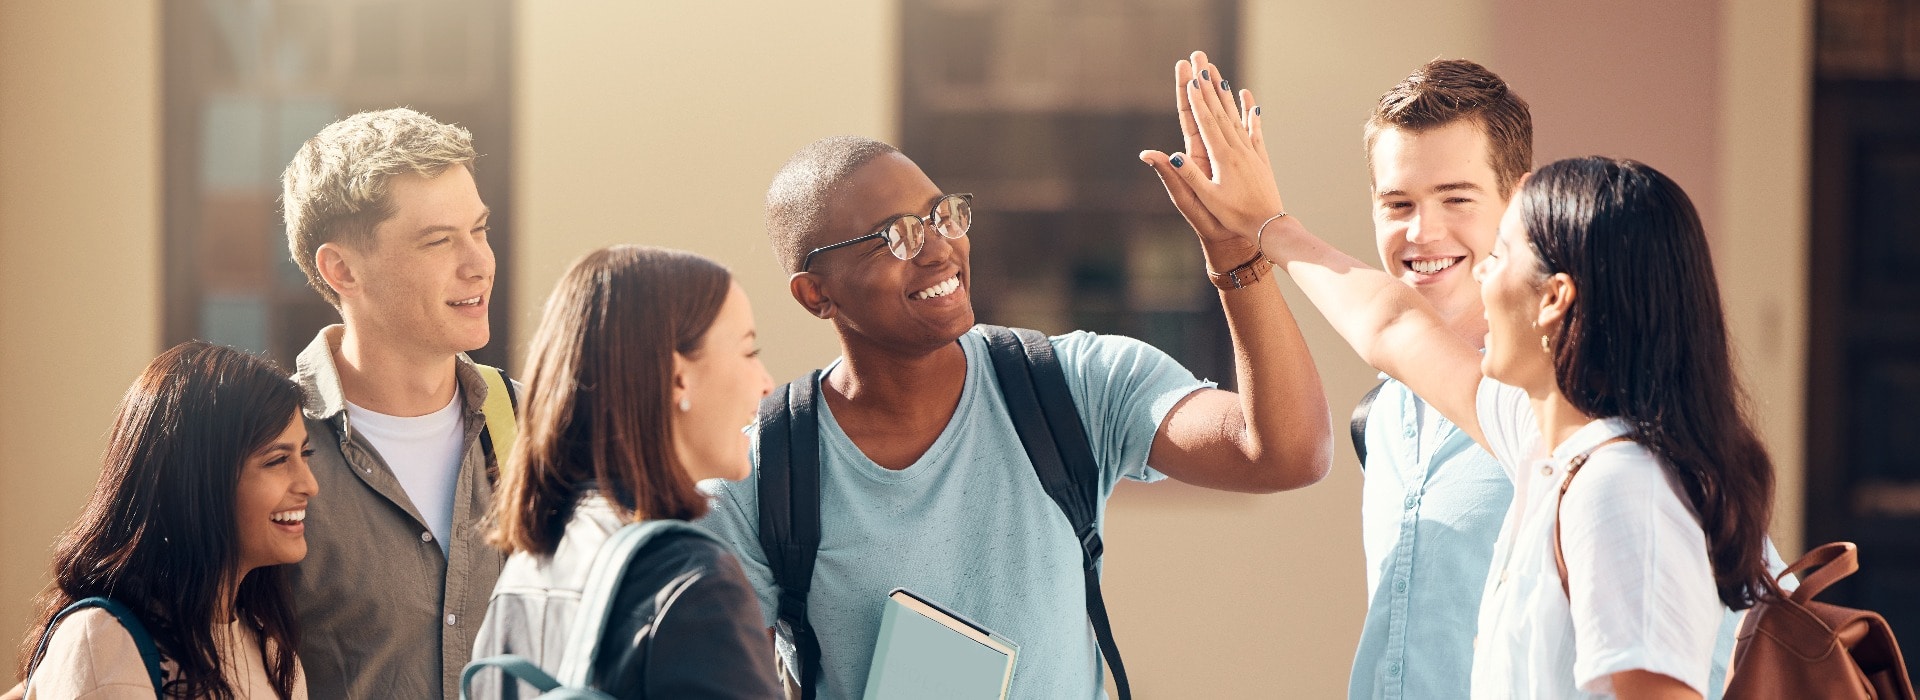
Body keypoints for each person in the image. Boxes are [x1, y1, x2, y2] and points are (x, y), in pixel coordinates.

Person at [1145, 54, 1779, 699]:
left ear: (1554, 294)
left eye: (1501, 249)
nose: (1465, 258)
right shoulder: (1537, 437)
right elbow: (1391, 327)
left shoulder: (1625, 484)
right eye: (1398, 202)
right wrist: (1261, 229)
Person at [696, 132, 1333, 698]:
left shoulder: (1074, 385)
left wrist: (1235, 255)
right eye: (897, 236)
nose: (939, 250)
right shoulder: (759, 482)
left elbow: (1283, 453)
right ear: (816, 295)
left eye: (942, 216)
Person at [469, 245, 781, 698]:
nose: (766, 382)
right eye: (749, 351)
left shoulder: (530, 565)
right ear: (679, 379)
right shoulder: (692, 582)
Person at [278, 107, 508, 698]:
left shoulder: (535, 424)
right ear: (342, 270)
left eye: (479, 230)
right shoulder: (262, 449)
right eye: (439, 240)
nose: (478, 262)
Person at [1343, 58, 1526, 700]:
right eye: (1399, 203)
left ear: (1520, 202)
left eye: (1456, 199)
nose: (1423, 233)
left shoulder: (1575, 400)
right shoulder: (1379, 419)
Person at [18, 342, 315, 699]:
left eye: (304, 453)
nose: (309, 485)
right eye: (276, 460)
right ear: (195, 480)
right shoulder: (105, 644)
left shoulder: (273, 654)